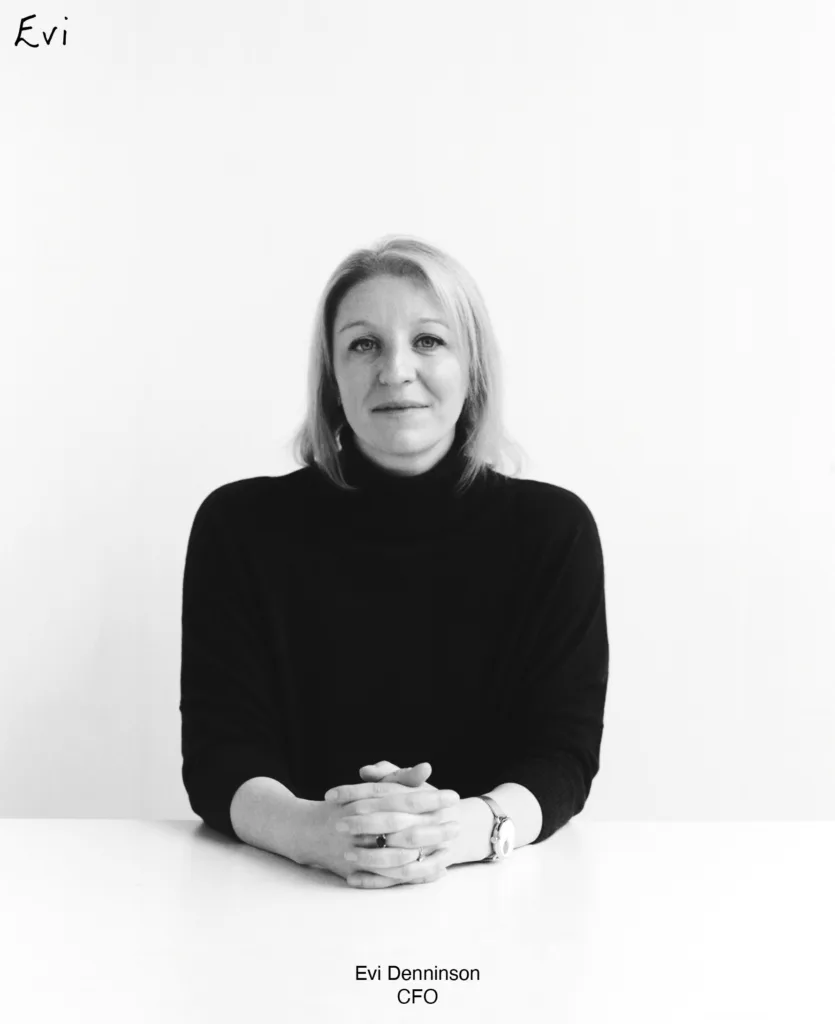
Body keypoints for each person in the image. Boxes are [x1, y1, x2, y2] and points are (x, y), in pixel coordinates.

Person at [179, 234, 609, 889]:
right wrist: (311, 834)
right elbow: (219, 757)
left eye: (428, 340)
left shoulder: (554, 532)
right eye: (364, 345)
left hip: (494, 896)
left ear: (472, 367)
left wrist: (450, 832)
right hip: (279, 892)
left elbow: (562, 756)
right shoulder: (238, 527)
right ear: (331, 377)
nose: (395, 370)